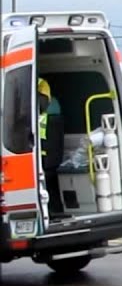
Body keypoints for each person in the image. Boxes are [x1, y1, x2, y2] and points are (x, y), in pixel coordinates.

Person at [37, 77, 65, 214]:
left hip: (45, 151)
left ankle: (52, 212)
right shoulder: (53, 103)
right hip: (47, 152)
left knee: (48, 182)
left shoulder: (46, 102)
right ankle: (54, 211)